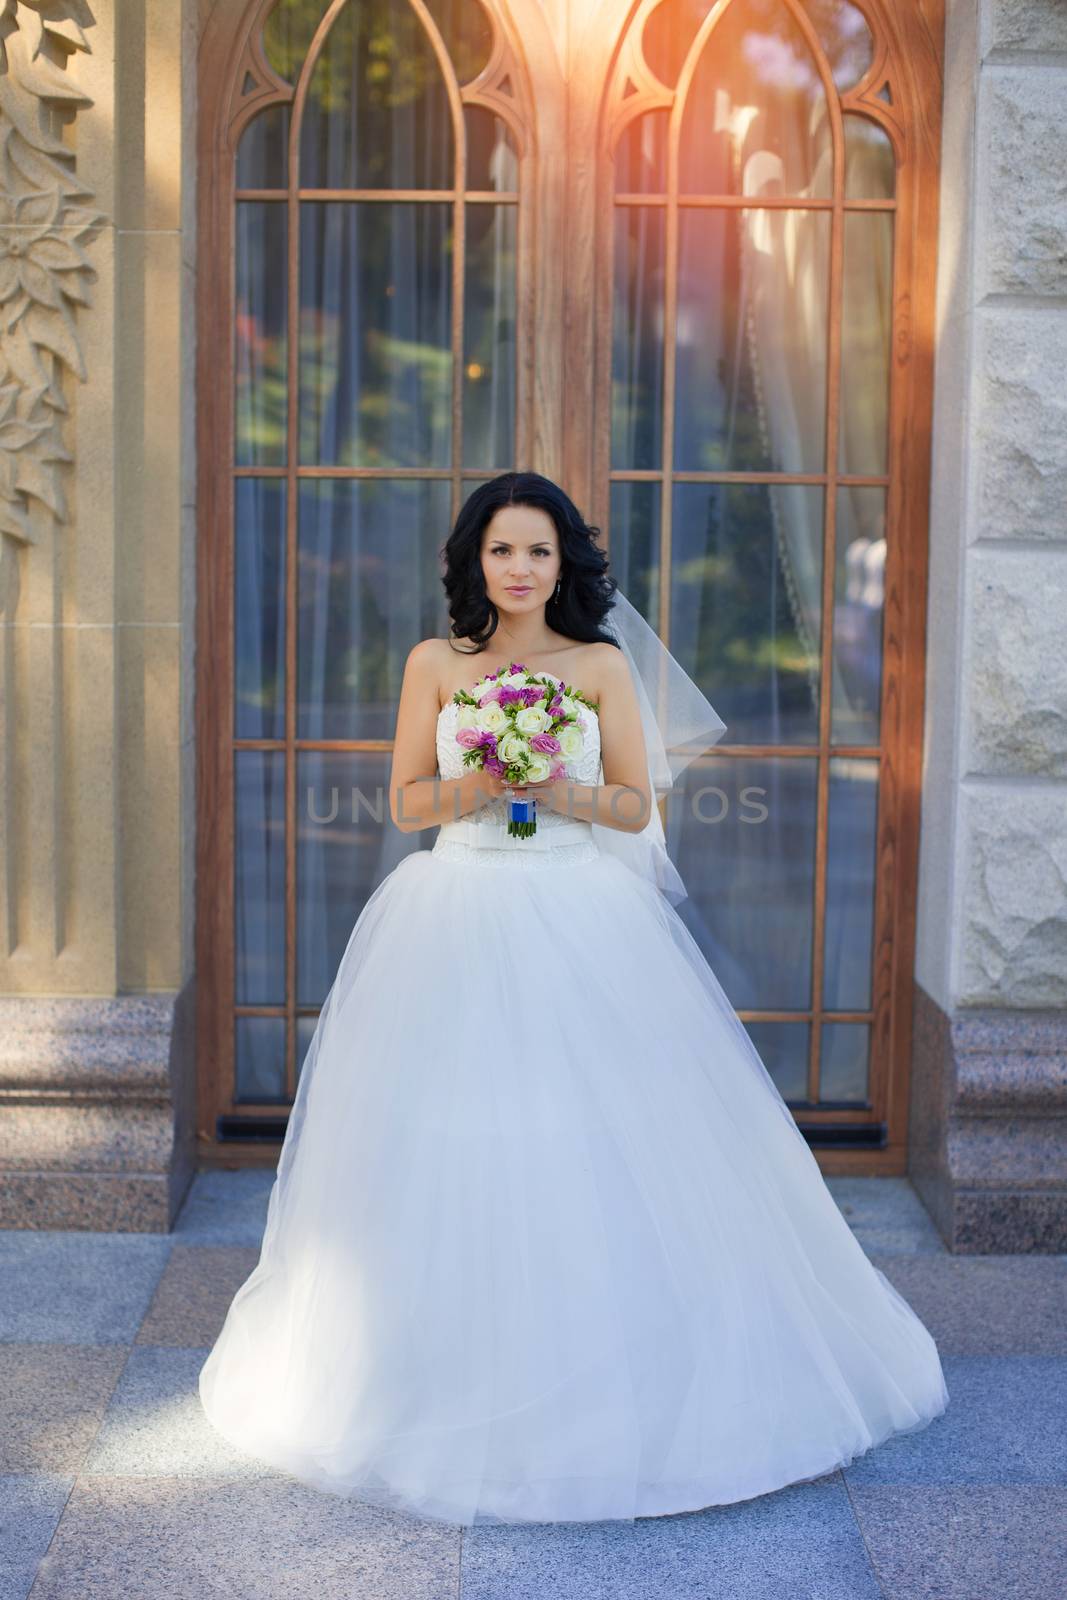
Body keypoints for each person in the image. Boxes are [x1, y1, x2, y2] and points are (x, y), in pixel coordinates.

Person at [198, 471, 949, 1527]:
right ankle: (440, 1368)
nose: (518, 569)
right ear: (472, 560)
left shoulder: (597, 664)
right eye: (501, 550)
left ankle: (609, 1360)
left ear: (564, 565)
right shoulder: (434, 663)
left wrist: (549, 783)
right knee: (452, 1144)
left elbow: (636, 801)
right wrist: (482, 780)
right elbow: (407, 796)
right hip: (452, 905)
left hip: (578, 907)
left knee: (591, 1137)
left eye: (538, 552)